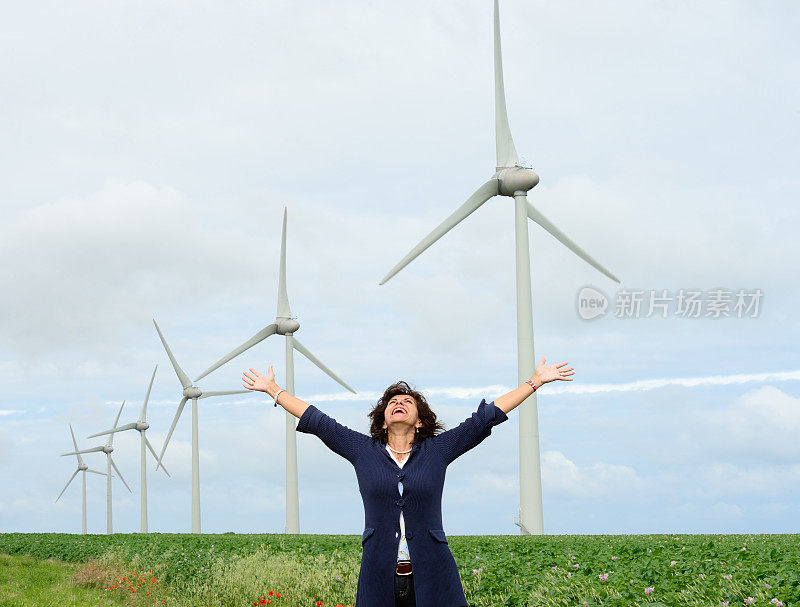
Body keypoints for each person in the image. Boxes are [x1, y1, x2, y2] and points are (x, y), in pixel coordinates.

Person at [242, 357, 573, 607]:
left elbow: (485, 419)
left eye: (407, 402)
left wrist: (534, 382)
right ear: (383, 421)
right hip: (378, 575)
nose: (398, 403)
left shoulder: (438, 450)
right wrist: (273, 389)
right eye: (392, 403)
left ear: (419, 420)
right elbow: (317, 420)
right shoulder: (362, 450)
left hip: (434, 572)